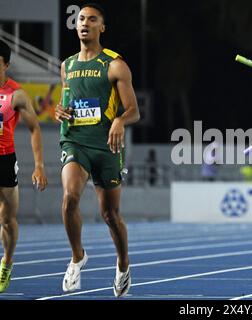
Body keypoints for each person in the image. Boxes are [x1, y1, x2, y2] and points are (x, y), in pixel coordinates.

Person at [55, 3, 140, 297]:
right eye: (81, 19)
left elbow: (133, 111)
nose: (84, 23)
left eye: (92, 19)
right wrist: (60, 112)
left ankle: (123, 263)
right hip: (75, 141)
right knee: (69, 198)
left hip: (106, 146)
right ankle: (78, 256)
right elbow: (67, 102)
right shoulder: (66, 66)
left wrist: (119, 120)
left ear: (101, 27)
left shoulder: (115, 64)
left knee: (110, 214)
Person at [0, 40, 48, 293]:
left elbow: (34, 129)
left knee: (6, 220)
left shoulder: (16, 95)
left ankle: (6, 262)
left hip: (4, 160)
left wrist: (39, 166)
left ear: (6, 65)